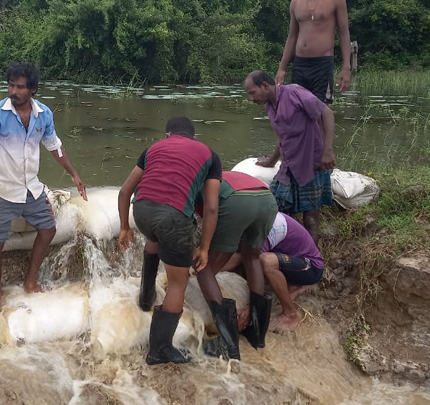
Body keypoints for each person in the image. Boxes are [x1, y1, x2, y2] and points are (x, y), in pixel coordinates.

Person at [118, 116, 239, 364]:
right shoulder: (209, 155)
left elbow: (124, 191)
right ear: (194, 137)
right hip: (173, 218)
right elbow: (212, 207)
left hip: (141, 212)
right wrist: (204, 247)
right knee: (177, 285)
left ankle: (145, 297)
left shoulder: (152, 149)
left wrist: (123, 228)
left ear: (167, 135)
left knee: (155, 238)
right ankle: (159, 350)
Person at [0, 62, 86, 311]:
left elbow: (55, 146)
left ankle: (30, 282)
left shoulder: (43, 115)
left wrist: (74, 173)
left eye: (20, 87)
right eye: (11, 85)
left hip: (31, 189)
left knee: (48, 229)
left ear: (32, 89)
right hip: (0, 189)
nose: (14, 91)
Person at [244, 70, 336, 243]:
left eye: (252, 93)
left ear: (264, 86)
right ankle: (287, 249)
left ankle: (311, 259)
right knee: (275, 209)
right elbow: (284, 137)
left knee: (310, 217)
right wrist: (271, 161)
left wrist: (328, 150)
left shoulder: (295, 93)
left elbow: (327, 113)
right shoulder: (270, 106)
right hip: (289, 167)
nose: (251, 98)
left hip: (311, 164)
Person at [195, 170, 277, 353]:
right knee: (252, 257)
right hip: (267, 198)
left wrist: (204, 249)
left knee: (202, 267)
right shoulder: (213, 174)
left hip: (236, 202)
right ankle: (257, 333)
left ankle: (228, 343)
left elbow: (208, 216)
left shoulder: (186, 186)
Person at [275, 0, 352, 103]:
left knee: (319, 111)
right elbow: (292, 37)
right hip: (300, 64)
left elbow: (344, 34)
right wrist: (282, 68)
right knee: (297, 110)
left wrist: (346, 67)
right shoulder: (296, 2)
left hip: (322, 65)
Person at [260, 212, 325, 331]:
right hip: (292, 262)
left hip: (311, 267)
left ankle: (290, 315)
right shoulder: (259, 218)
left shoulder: (265, 227)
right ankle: (293, 287)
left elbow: (253, 265)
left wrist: (251, 307)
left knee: (266, 261)